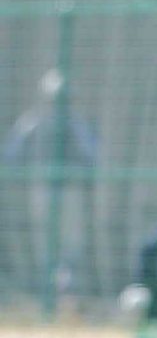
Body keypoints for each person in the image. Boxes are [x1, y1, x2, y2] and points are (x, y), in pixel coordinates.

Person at [2, 67, 98, 308]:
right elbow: (11, 154)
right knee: (46, 240)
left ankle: (66, 291)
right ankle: (49, 291)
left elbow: (91, 156)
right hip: (43, 187)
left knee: (70, 241)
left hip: (69, 188)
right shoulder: (33, 122)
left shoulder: (75, 124)